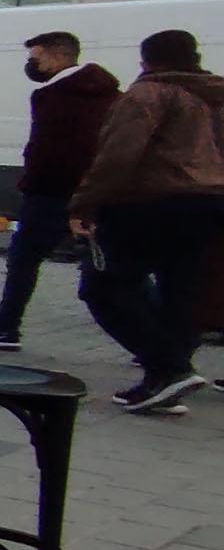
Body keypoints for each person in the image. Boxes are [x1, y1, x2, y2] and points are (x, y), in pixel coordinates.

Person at [68, 29, 224, 414]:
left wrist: (85, 204)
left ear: (149, 60)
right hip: (208, 204)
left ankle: (169, 370)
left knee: (103, 286)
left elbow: (118, 156)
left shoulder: (149, 93)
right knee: (182, 292)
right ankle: (164, 382)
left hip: (148, 201)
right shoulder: (214, 96)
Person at [0, 31, 120, 351]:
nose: (32, 65)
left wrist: (33, 185)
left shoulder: (55, 95)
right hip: (98, 192)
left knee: (24, 259)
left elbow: (51, 153)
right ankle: (159, 342)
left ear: (58, 57)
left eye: (36, 58)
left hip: (52, 195)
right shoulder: (110, 94)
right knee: (116, 268)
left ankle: (5, 327)